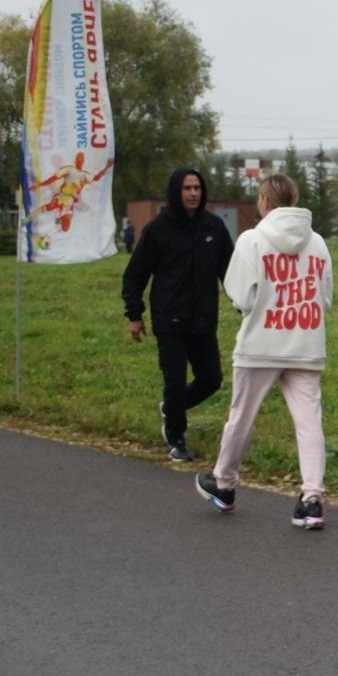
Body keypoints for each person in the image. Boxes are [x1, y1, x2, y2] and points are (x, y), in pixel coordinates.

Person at [195, 174, 333, 530]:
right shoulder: (317, 243)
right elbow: (326, 297)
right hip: (305, 343)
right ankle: (312, 498)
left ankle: (224, 484)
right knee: (308, 421)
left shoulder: (252, 240)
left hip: (260, 343)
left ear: (264, 201)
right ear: (295, 199)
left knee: (242, 416)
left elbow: (241, 295)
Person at [122, 168, 234, 462]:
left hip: (203, 319)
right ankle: (176, 438)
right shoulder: (158, 228)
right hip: (169, 318)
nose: (193, 193)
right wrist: (135, 314)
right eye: (187, 188)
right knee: (174, 380)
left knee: (211, 379)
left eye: (197, 188)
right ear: (176, 191)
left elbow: (231, 270)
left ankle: (171, 408)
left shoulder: (214, 227)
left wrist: (244, 303)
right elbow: (135, 274)